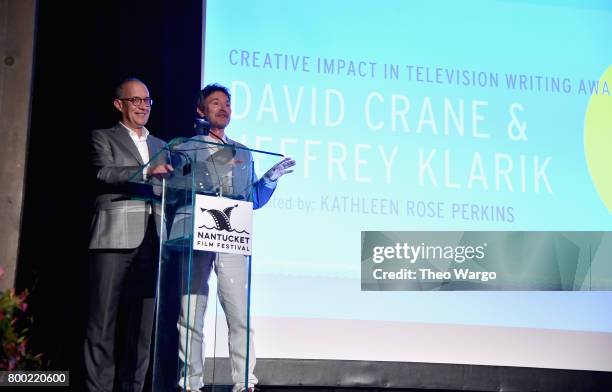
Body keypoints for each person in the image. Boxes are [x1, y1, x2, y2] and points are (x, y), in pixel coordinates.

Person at [174, 83, 295, 392]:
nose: (223, 108)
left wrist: (270, 178)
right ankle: (190, 383)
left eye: (227, 103)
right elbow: (185, 184)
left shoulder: (242, 150)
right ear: (201, 110)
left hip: (230, 237)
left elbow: (250, 198)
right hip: (194, 235)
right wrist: (220, 162)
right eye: (215, 103)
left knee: (239, 314)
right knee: (192, 314)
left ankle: (244, 383)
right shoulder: (183, 148)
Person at [84, 77, 173, 392]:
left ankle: (132, 387)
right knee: (103, 321)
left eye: (147, 100)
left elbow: (169, 187)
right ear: (118, 104)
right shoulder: (103, 137)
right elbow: (103, 173)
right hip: (114, 236)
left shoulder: (162, 145)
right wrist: (147, 172)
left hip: (153, 238)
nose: (142, 106)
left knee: (143, 327)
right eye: (135, 100)